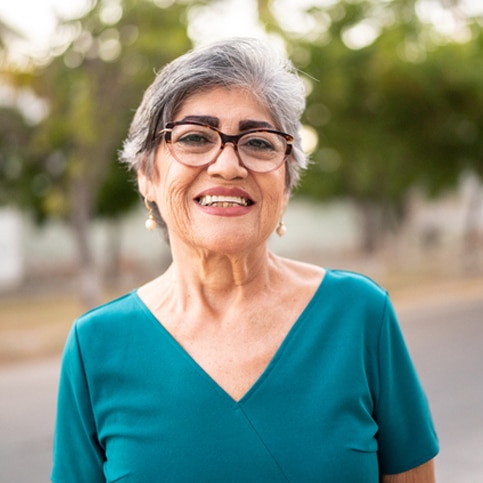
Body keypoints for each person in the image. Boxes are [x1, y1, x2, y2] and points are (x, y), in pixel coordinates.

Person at [51, 37, 438, 482]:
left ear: (287, 182)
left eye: (258, 143)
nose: (229, 165)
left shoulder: (358, 314)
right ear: (146, 176)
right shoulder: (96, 345)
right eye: (195, 137)